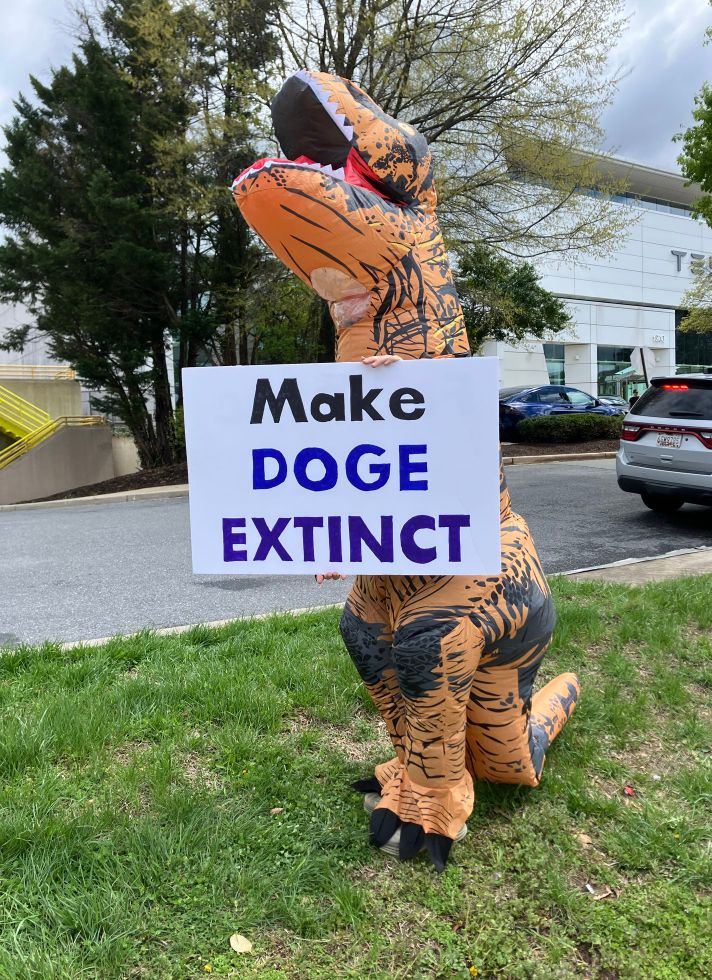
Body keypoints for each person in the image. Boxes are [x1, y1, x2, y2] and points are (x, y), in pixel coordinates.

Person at [231, 69, 580, 871]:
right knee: (365, 627)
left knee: (433, 640)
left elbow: (442, 451)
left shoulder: (421, 269)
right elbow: (355, 472)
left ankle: (442, 783)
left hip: (491, 576)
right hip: (396, 569)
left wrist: (408, 385)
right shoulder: (349, 356)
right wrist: (326, 527)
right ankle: (418, 766)